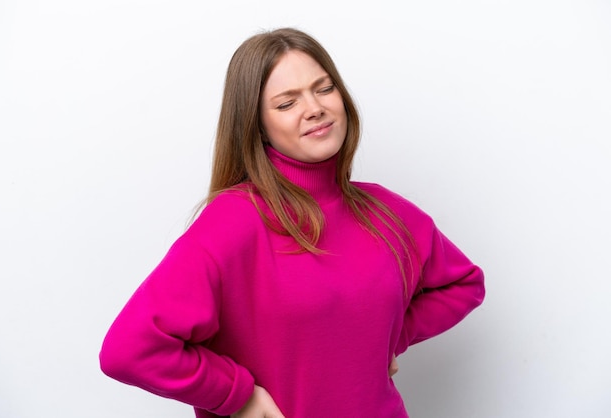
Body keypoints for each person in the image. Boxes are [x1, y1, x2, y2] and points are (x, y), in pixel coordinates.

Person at [99, 27, 485, 418]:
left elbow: (464, 283)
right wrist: (235, 394)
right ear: (257, 126)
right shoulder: (234, 221)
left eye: (324, 88)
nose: (314, 108)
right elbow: (130, 350)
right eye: (286, 104)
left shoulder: (387, 212)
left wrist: (388, 337)